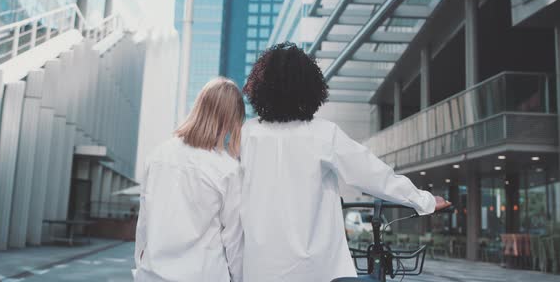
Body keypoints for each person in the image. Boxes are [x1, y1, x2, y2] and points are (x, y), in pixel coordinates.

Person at [240, 42, 450, 282]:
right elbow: (373, 175)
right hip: (311, 268)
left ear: (261, 87)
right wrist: (425, 200)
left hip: (258, 267)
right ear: (309, 88)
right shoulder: (323, 133)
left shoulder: (248, 134)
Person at [134, 78, 245, 282]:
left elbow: (144, 222)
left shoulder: (158, 155)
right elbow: (234, 241)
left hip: (152, 275)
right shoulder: (228, 170)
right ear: (230, 120)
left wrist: (140, 266)